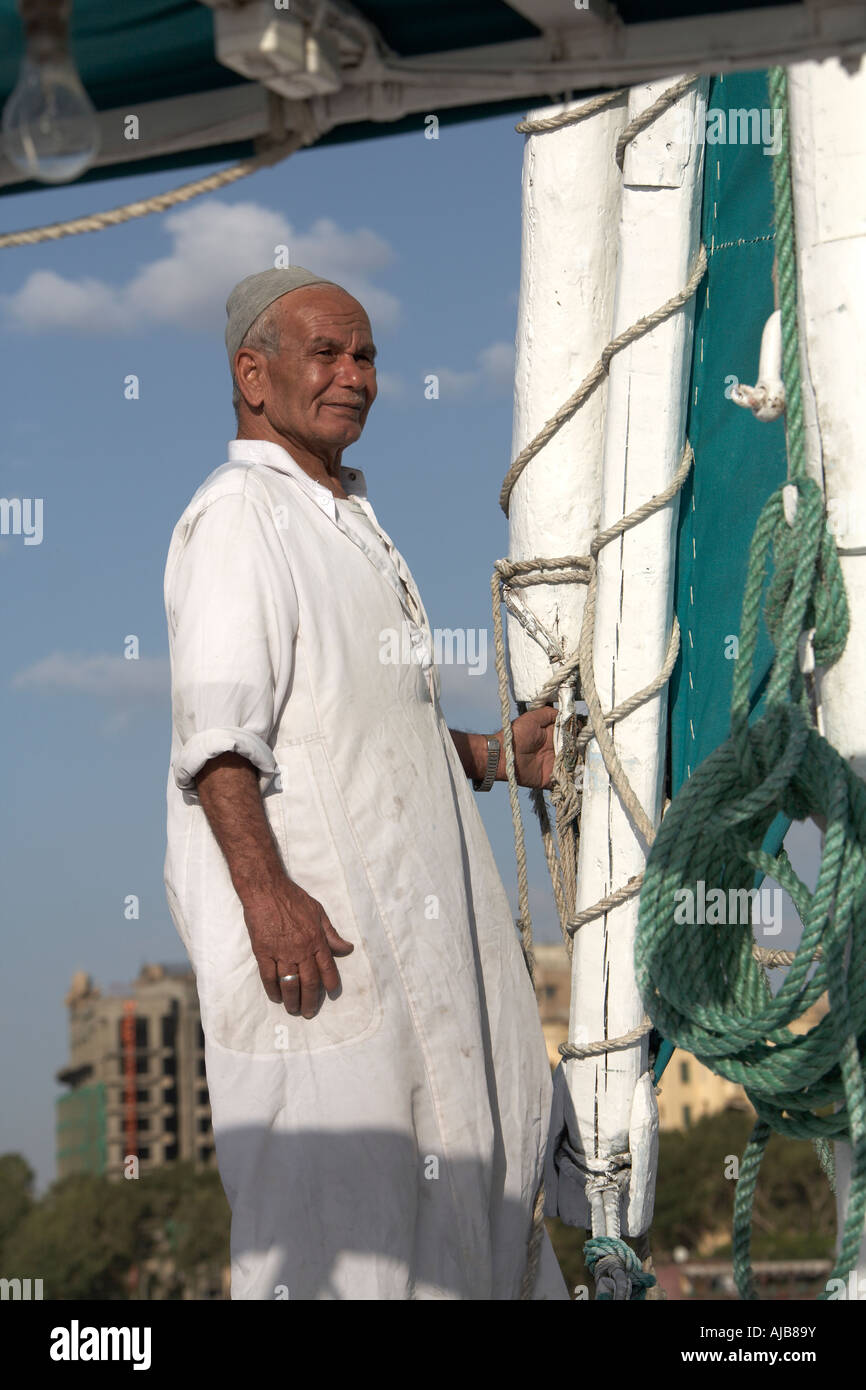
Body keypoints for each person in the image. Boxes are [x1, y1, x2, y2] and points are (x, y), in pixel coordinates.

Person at [163, 265, 569, 1299]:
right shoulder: (238, 518)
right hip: (322, 956)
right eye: (328, 353)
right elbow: (217, 736)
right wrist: (266, 892)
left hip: (426, 959)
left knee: (465, 1212)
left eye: (368, 356)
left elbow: (365, 738)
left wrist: (491, 754)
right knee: (343, 1233)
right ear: (253, 377)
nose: (356, 376)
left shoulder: (347, 520)